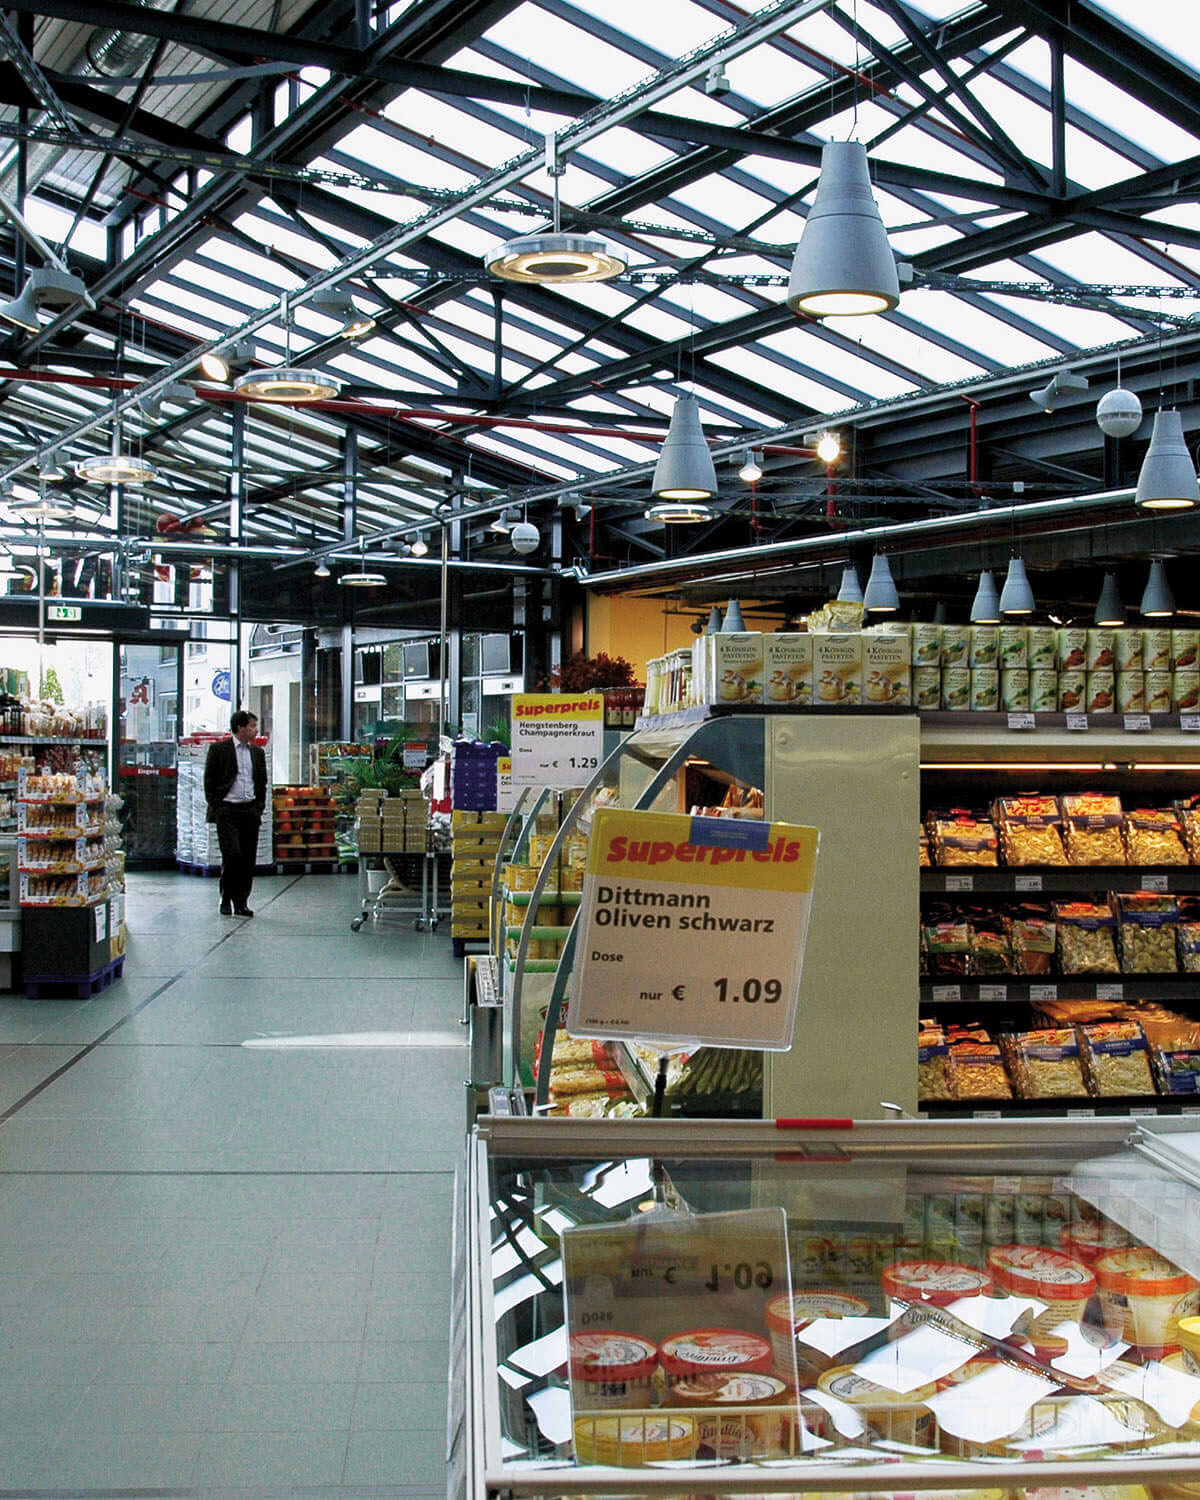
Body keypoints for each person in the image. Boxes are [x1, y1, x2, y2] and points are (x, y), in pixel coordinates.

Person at [204, 709, 267, 917]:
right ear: (240, 727)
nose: (255, 730)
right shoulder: (219, 750)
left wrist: (259, 807)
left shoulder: (257, 753)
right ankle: (226, 897)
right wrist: (218, 807)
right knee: (232, 855)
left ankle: (241, 902)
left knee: (248, 859)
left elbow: (261, 783)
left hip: (249, 810)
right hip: (227, 811)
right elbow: (210, 783)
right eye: (252, 726)